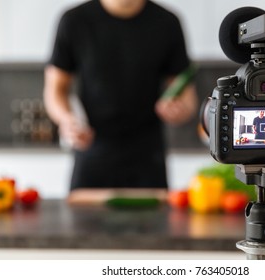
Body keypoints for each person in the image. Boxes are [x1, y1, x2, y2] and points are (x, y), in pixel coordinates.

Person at [43, 0, 198, 191]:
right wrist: (66, 119)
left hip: (148, 156)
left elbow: (187, 96)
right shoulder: (74, 20)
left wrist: (179, 109)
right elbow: (55, 89)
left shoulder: (167, 22)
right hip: (92, 149)